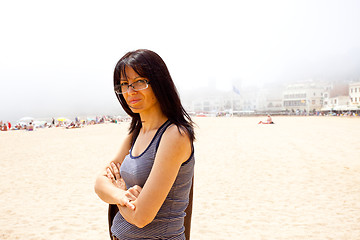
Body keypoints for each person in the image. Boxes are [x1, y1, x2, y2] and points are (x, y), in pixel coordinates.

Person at [94, 49, 195, 240]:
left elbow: (141, 217)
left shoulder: (175, 135)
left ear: (159, 83)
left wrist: (116, 191)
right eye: (124, 85)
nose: (130, 91)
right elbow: (99, 183)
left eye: (139, 82)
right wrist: (121, 195)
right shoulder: (135, 134)